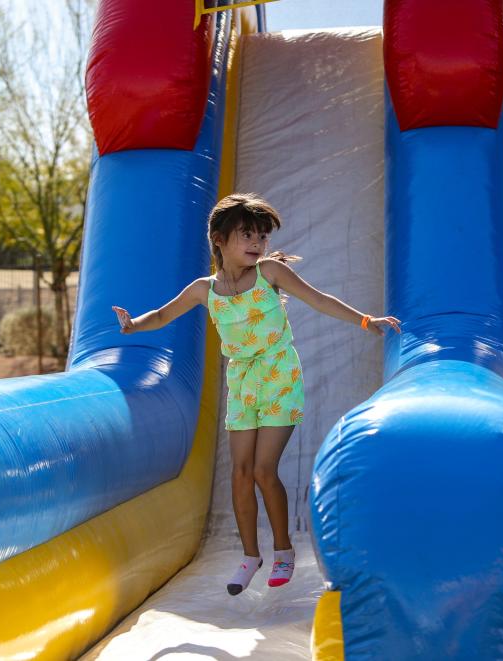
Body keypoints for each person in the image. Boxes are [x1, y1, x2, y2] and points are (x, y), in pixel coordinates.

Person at [113, 193, 401, 595]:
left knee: (265, 470)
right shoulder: (204, 289)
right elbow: (163, 315)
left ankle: (283, 551)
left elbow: (318, 299)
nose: (257, 243)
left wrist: (365, 319)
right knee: (241, 473)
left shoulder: (269, 273)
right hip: (243, 381)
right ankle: (250, 555)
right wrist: (132, 326)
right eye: (247, 235)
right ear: (218, 239)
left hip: (280, 374)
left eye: (262, 237)